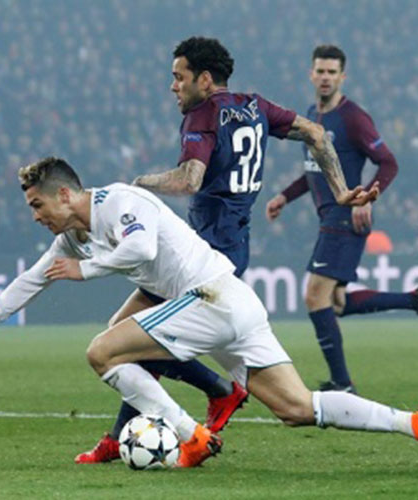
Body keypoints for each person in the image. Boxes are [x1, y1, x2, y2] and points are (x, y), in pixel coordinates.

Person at [0, 157, 418, 470]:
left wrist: (88, 270)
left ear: (64, 194)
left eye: (37, 205)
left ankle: (189, 433)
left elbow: (142, 248)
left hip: (209, 298)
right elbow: (34, 277)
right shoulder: (72, 236)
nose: (35, 215)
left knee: (103, 351)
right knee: (296, 407)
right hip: (228, 303)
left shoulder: (119, 202)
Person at [76, 36, 374, 464]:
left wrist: (138, 186)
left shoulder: (203, 114)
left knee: (127, 342)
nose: (173, 86)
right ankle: (167, 413)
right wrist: (341, 190)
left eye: (178, 77)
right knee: (124, 333)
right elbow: (315, 133)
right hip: (233, 246)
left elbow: (189, 180)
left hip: (203, 256)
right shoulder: (254, 105)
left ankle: (200, 399)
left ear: (204, 79)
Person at [266, 45, 418, 393]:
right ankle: (416, 299)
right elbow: (316, 169)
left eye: (332, 72)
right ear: (311, 74)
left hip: (345, 217)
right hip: (329, 217)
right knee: (336, 303)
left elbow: (388, 162)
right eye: (321, 71)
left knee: (314, 297)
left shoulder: (353, 118)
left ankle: (343, 384)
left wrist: (368, 199)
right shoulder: (311, 116)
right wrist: (285, 196)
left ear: (342, 76)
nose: (326, 77)